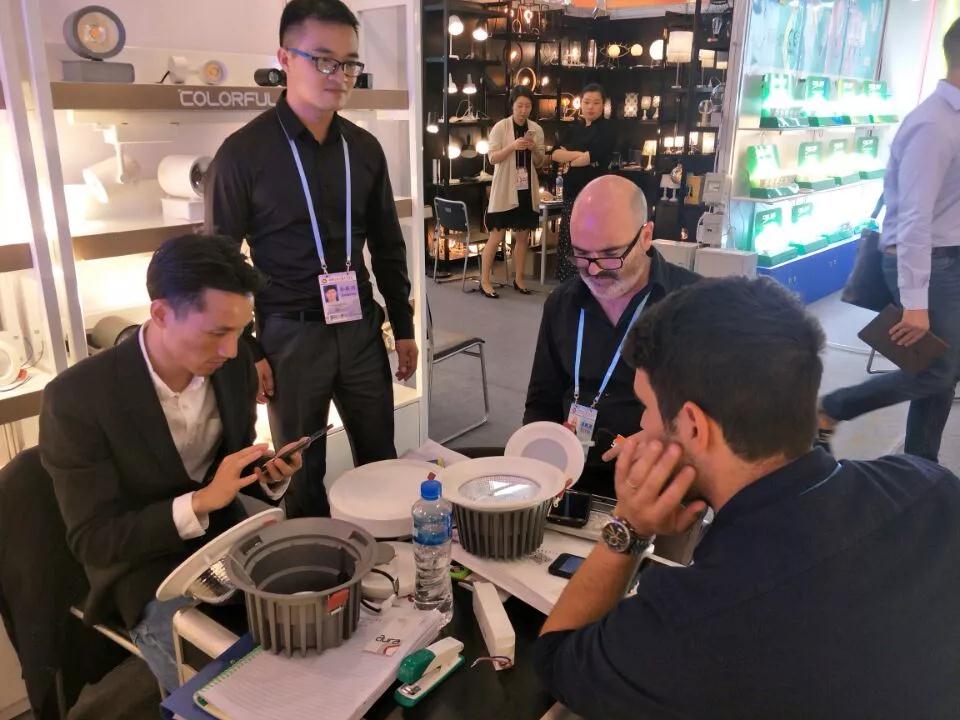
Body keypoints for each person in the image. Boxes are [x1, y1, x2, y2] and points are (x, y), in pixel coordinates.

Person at [534, 276, 960, 719]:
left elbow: (557, 660)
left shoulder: (690, 622)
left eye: (647, 407)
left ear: (694, 425)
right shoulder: (931, 488)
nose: (642, 425)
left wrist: (628, 528)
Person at [40, 235, 305, 693]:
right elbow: (94, 541)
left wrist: (268, 476)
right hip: (141, 566)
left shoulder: (234, 365)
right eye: (217, 332)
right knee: (226, 693)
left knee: (309, 629)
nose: (231, 349)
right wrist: (199, 502)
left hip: (224, 541)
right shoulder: (77, 399)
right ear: (161, 314)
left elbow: (229, 467)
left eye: (241, 331)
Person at [205, 0, 417, 518]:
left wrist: (404, 326)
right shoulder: (243, 154)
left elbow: (387, 245)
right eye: (323, 60)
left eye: (349, 63)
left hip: (360, 329)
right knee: (299, 476)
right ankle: (316, 567)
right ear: (284, 58)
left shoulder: (363, 148)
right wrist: (248, 348)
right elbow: (220, 262)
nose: (339, 75)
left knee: (381, 460)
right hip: (289, 336)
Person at [818, 17, 960, 463]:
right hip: (927, 262)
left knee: (940, 372)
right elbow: (915, 216)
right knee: (938, 372)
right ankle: (833, 407)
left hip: (947, 258)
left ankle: (920, 466)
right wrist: (915, 302)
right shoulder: (934, 125)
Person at [524, 175, 698, 496]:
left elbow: (721, 423)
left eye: (609, 255)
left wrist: (667, 441)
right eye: (581, 255)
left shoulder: (694, 305)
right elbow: (541, 403)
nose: (593, 270)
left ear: (646, 236)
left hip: (656, 483)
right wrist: (543, 453)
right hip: (570, 480)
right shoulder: (562, 304)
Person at [480, 85, 547, 298]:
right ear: (512, 105)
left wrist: (533, 148)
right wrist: (513, 146)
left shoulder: (536, 129)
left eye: (528, 106)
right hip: (504, 188)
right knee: (496, 235)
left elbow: (540, 162)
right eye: (520, 106)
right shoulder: (500, 127)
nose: (524, 110)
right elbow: (492, 158)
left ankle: (519, 279)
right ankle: (484, 281)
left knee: (523, 236)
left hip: (526, 188)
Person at [550, 83, 618, 282]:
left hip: (595, 194)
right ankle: (567, 284)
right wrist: (578, 156)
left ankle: (589, 284)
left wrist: (571, 158)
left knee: (590, 240)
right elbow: (554, 154)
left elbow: (591, 157)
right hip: (571, 192)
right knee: (569, 236)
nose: (590, 107)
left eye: (596, 103)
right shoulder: (574, 128)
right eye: (587, 102)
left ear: (603, 105)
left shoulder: (607, 129)